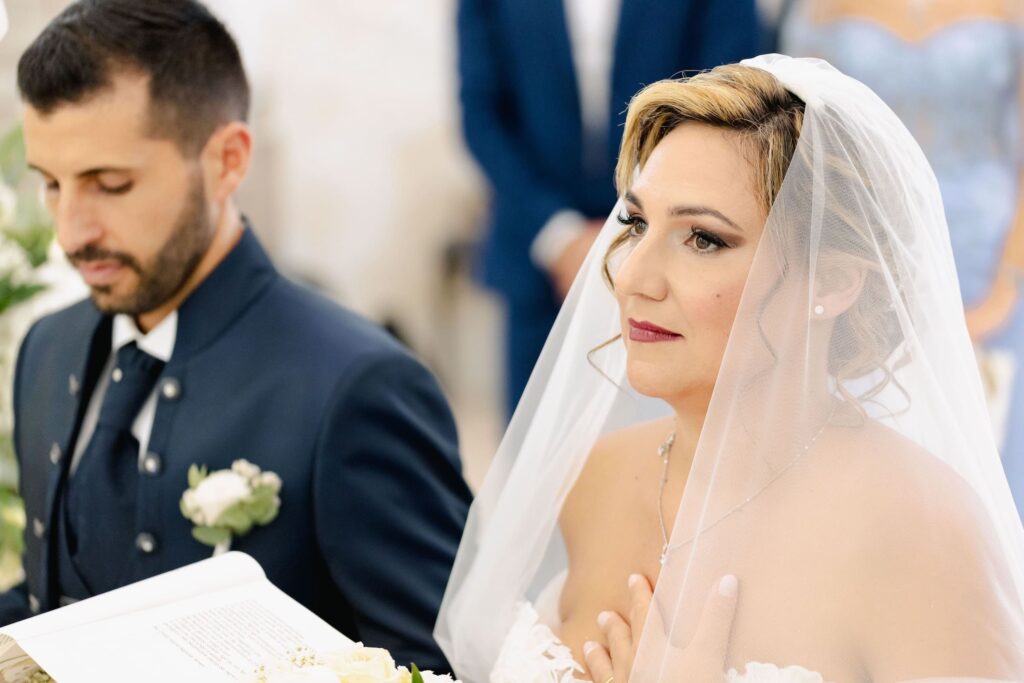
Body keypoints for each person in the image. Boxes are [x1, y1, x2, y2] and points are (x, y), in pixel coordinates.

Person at [435, 55, 1024, 682]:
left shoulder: (922, 535)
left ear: (832, 282)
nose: (631, 277)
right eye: (636, 224)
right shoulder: (592, 478)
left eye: (704, 239)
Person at [2, 0, 471, 671]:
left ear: (227, 160)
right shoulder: (47, 349)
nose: (71, 230)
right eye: (51, 184)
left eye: (111, 184)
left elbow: (439, 665)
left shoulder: (357, 387)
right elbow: (52, 599)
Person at [456, 0, 760, 417]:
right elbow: (481, 115)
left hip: (676, 256)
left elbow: (728, 99)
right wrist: (560, 236)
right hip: (537, 256)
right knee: (534, 429)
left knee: (668, 432)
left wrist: (633, 224)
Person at [780, 0, 1024, 516]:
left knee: (994, 432)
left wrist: (1005, 286)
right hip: (869, 241)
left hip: (990, 250)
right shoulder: (821, 10)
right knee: (869, 426)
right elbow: (806, 144)